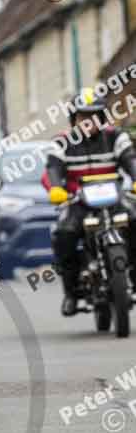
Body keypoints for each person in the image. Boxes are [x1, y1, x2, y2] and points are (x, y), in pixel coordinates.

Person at [45, 87, 136, 316]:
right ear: (74, 119)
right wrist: (56, 188)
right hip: (78, 202)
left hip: (114, 198)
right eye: (82, 116)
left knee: (135, 221)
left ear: (102, 117)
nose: (88, 121)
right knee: (63, 234)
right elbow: (53, 168)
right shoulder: (61, 142)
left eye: (93, 116)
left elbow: (130, 160)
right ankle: (71, 292)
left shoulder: (117, 137)